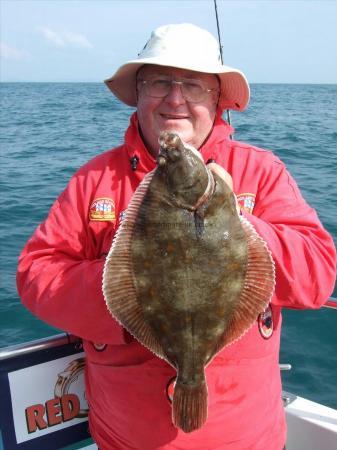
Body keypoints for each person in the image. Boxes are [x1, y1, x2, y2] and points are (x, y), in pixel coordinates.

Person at [17, 23, 336, 450]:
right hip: (124, 439)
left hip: (246, 439)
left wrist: (236, 225)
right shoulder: (94, 179)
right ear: (138, 92)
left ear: (218, 99)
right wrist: (129, 291)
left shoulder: (261, 172)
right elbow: (36, 274)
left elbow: (318, 276)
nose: (175, 98)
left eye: (194, 85)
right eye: (159, 83)